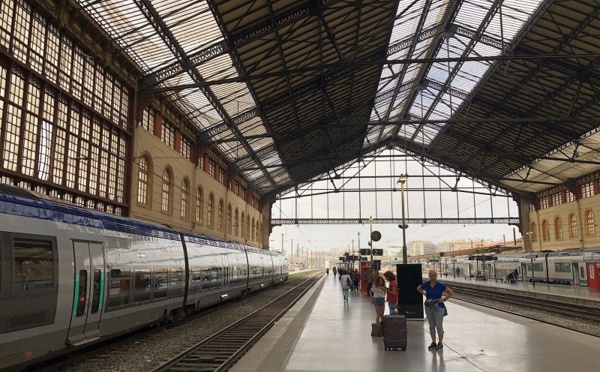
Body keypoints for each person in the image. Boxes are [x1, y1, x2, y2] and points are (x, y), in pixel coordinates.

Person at [417, 269, 454, 350]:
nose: (433, 277)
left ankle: (440, 342)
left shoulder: (440, 285)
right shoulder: (426, 285)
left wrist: (444, 299)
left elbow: (450, 292)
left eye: (434, 275)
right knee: (431, 325)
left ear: (436, 276)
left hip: (438, 307)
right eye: (431, 275)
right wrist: (424, 293)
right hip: (429, 306)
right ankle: (433, 341)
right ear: (429, 276)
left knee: (439, 325)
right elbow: (418, 288)